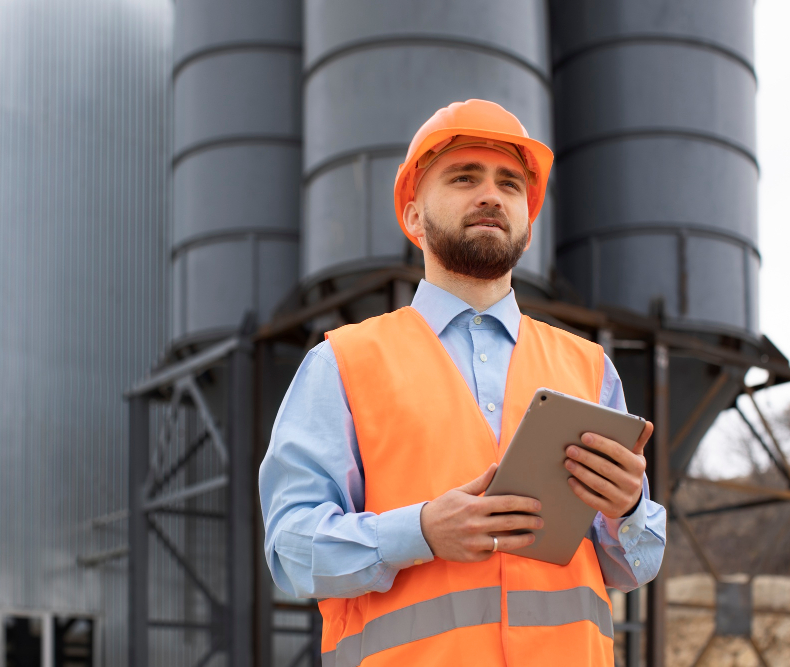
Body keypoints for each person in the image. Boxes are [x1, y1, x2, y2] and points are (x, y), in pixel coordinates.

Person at [259, 99, 665, 666]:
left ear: (527, 226)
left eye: (510, 184)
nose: (491, 195)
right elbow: (291, 552)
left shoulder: (590, 366)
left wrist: (626, 512)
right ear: (413, 218)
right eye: (463, 177)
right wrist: (420, 532)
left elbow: (630, 567)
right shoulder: (343, 362)